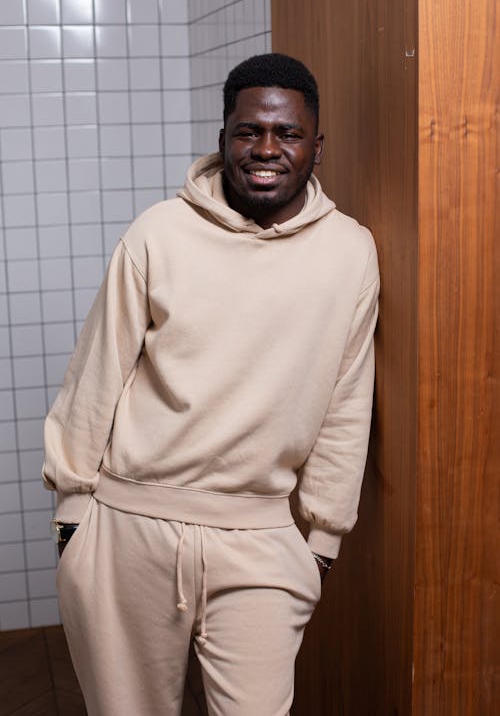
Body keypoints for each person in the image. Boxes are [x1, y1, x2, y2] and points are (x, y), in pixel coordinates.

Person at [43, 53, 379, 716]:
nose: (265, 149)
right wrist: (73, 512)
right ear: (224, 137)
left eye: (286, 133)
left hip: (260, 538)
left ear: (317, 144)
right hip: (127, 527)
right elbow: (96, 373)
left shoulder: (350, 251)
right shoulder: (158, 234)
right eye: (247, 131)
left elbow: (347, 399)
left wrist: (322, 542)